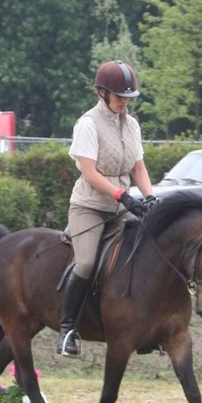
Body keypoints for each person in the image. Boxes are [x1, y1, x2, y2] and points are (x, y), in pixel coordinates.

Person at [57, 60, 156, 358]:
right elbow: (89, 172)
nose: (125, 101)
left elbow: (138, 166)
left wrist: (150, 196)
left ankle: (149, 325)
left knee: (149, 252)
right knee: (86, 264)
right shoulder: (87, 123)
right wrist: (121, 195)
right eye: (119, 96)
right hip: (90, 206)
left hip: (121, 204)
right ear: (102, 93)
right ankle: (68, 329)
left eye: (129, 97)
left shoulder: (132, 125)